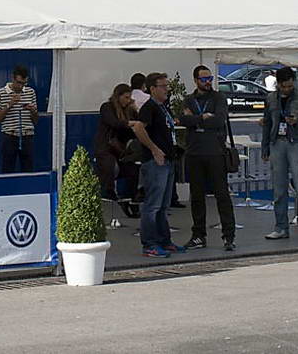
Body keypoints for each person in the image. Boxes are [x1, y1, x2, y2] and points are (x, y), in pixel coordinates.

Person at [179, 65, 237, 251]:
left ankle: (228, 236)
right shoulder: (189, 99)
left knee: (222, 195)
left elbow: (219, 120)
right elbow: (183, 120)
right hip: (194, 152)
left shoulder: (219, 98)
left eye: (210, 78)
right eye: (204, 79)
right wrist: (202, 118)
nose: (207, 82)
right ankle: (198, 235)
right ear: (196, 80)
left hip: (215, 152)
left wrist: (195, 119)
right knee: (197, 196)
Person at [261, 66, 298, 242]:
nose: (287, 89)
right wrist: (265, 147)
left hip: (297, 143)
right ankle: (280, 227)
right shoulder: (270, 98)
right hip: (277, 143)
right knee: (279, 189)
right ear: (278, 84)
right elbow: (267, 123)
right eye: (284, 86)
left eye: (290, 85)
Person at [131, 72, 182, 258]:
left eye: (167, 86)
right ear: (152, 89)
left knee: (163, 205)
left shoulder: (162, 107)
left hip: (167, 160)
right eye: (163, 86)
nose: (167, 89)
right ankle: (149, 244)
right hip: (155, 162)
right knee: (153, 205)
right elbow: (138, 128)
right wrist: (154, 149)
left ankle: (164, 240)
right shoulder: (149, 107)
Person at [0, 65, 39, 172]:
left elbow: (35, 120)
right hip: (9, 136)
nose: (21, 86)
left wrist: (33, 111)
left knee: (28, 170)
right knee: (8, 169)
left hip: (27, 136)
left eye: (24, 83)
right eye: (19, 82)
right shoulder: (0, 93)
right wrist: (9, 105)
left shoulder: (30, 92)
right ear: (12, 78)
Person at [95, 83, 138, 203]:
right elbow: (114, 123)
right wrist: (129, 123)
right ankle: (108, 193)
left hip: (119, 148)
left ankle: (133, 195)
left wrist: (135, 112)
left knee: (132, 168)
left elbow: (131, 132)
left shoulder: (128, 110)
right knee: (110, 166)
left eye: (129, 98)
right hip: (106, 146)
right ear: (118, 96)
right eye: (126, 97)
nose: (128, 101)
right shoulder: (106, 107)